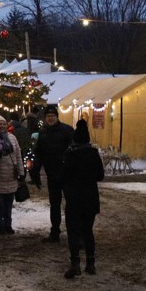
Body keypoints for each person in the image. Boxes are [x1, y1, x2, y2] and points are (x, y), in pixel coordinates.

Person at [61, 119, 105, 278]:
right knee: (88, 231)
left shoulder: (69, 154)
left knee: (73, 231)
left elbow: (64, 176)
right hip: (90, 197)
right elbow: (100, 176)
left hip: (74, 198)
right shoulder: (93, 154)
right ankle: (91, 264)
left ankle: (75, 264)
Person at [34, 104, 74, 242]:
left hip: (68, 175)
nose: (50, 118)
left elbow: (73, 149)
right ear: (45, 118)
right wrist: (36, 171)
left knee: (71, 205)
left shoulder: (67, 130)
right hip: (52, 175)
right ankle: (55, 232)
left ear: (57, 117)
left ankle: (74, 234)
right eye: (48, 116)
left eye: (52, 116)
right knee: (54, 205)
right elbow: (38, 153)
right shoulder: (43, 133)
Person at [0, 115, 23, 235]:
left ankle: (8, 225)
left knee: (9, 203)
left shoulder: (13, 138)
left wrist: (21, 172)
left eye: (3, 123)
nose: (2, 126)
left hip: (11, 175)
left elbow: (18, 155)